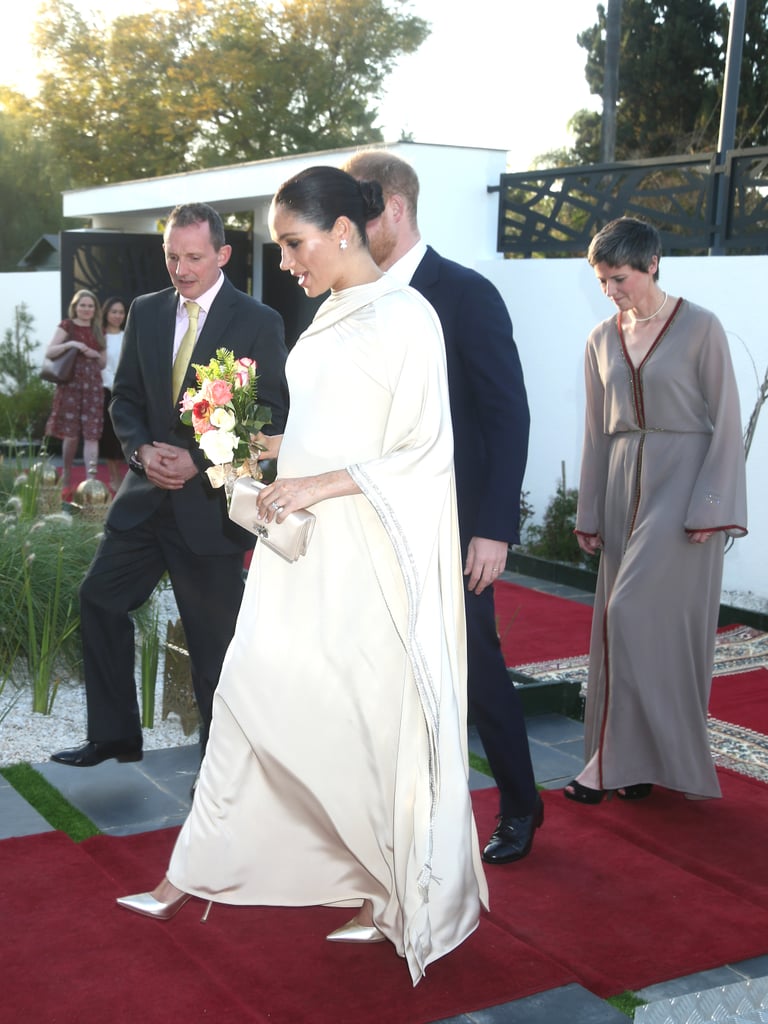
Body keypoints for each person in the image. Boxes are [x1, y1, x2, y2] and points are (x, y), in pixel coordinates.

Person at [116, 166, 488, 985]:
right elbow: (323, 430)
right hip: (305, 554)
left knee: (367, 724)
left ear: (345, 230)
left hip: (369, 560)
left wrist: (316, 481)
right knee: (249, 693)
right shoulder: (329, 312)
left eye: (293, 243)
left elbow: (424, 451)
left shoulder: (407, 316)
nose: (284, 262)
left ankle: (388, 893)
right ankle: (193, 871)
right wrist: (262, 450)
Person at [342, 150, 540, 865]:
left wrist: (493, 527)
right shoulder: (354, 298)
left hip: (455, 527)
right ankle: (405, 807)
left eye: (358, 215)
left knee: (476, 672)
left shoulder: (465, 293)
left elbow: (506, 415)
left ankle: (521, 803)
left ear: (394, 206)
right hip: (373, 518)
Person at [51, 203, 289, 768]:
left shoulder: (259, 321)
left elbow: (272, 417)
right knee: (99, 600)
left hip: (209, 512)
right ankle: (115, 736)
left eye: (194, 257)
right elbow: (126, 398)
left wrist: (199, 458)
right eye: (172, 256)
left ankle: (218, 771)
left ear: (223, 255)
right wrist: (138, 451)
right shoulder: (146, 311)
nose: (181, 269)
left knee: (214, 651)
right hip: (142, 505)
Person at [567, 216, 748, 804]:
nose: (611, 291)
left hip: (683, 490)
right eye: (601, 282)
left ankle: (611, 762)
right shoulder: (600, 338)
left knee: (634, 614)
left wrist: (712, 506)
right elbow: (596, 430)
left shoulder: (701, 328)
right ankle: (631, 762)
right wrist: (589, 510)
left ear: (652, 265)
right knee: (621, 628)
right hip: (621, 488)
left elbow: (725, 420)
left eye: (619, 278)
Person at [43, 289, 106, 501]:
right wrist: (73, 344)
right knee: (71, 435)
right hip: (70, 385)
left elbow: (103, 362)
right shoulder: (67, 326)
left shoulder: (98, 330)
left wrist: (95, 354)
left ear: (95, 309)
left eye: (90, 306)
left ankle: (90, 480)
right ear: (75, 307)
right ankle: (68, 474)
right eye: (83, 305)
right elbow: (50, 351)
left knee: (92, 434)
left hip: (93, 387)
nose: (86, 309)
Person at [100, 296, 128, 493]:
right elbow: (102, 367)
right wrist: (114, 385)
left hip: (127, 392)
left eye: (121, 312)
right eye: (114, 311)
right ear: (106, 313)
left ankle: (126, 478)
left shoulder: (128, 335)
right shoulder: (99, 337)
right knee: (109, 436)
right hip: (106, 392)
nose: (118, 315)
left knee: (124, 436)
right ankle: (113, 477)